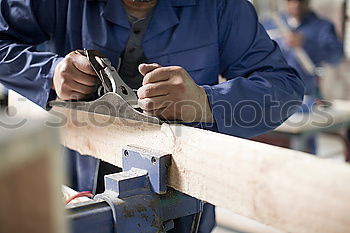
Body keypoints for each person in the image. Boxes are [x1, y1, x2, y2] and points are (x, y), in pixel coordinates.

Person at [0, 0, 304, 232]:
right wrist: (50, 73)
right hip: (79, 186)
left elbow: (284, 87)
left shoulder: (221, 6)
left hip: (182, 196)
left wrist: (207, 102)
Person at [262, 0, 344, 154]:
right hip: (270, 96)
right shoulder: (271, 24)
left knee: (303, 147)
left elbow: (337, 56)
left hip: (304, 98)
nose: (296, 5)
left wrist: (307, 43)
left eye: (301, 1)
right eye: (291, 1)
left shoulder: (322, 27)